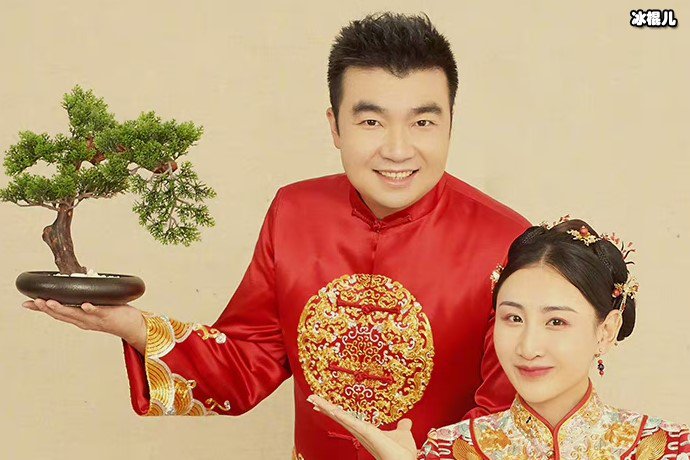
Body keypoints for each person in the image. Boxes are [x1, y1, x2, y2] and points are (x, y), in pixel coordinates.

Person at [22, 13, 529, 459]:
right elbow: (245, 364)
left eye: (422, 122)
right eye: (372, 121)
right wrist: (132, 326)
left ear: (450, 125)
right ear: (335, 127)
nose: (398, 149)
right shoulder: (294, 212)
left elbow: (511, 423)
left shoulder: (511, 245)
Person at [309, 218, 690, 459]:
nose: (527, 347)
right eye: (513, 318)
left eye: (556, 321)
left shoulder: (670, 448)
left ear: (605, 331)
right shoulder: (451, 449)